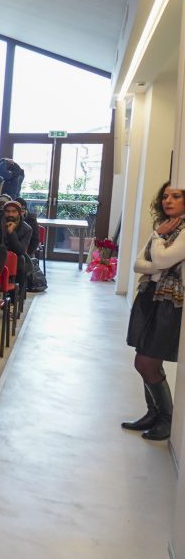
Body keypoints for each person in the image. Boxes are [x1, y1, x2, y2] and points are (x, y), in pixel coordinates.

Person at [124, 183, 185, 441]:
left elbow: (160, 260)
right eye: (165, 196)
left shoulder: (178, 231)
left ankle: (166, 418)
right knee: (145, 360)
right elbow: (138, 264)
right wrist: (158, 262)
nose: (168, 201)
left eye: (176, 196)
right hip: (149, 296)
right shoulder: (162, 227)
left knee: (146, 362)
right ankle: (154, 413)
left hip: (169, 303)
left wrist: (158, 241)